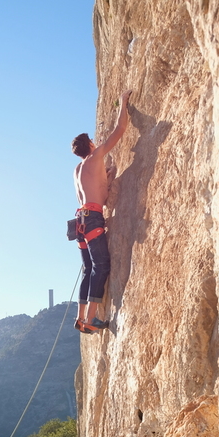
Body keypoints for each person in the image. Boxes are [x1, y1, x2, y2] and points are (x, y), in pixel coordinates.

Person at [72, 90, 132, 334]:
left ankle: (80, 317)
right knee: (101, 266)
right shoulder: (96, 156)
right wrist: (123, 102)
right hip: (93, 218)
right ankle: (91, 319)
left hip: (79, 221)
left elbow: (90, 194)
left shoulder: (77, 170)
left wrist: (105, 180)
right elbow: (119, 130)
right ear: (91, 145)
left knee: (87, 269)